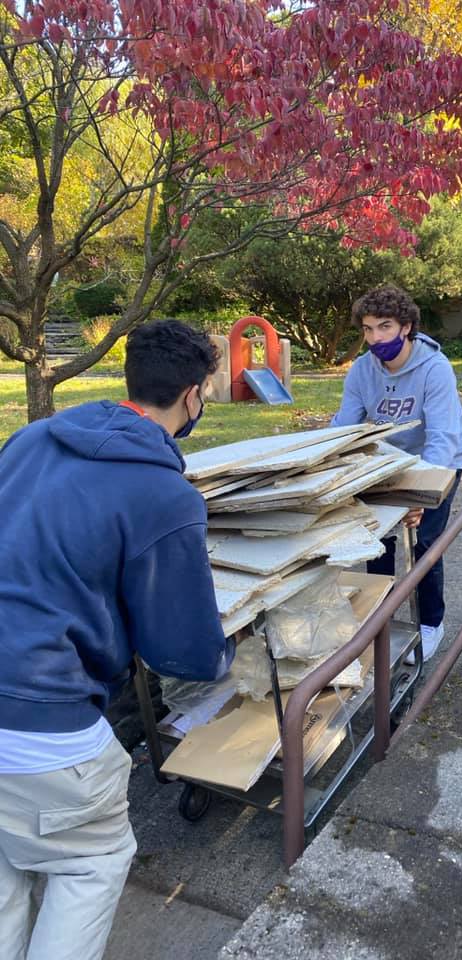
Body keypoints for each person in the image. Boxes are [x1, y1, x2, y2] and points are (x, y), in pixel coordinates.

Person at [0, 319, 235, 960]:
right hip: (48, 724)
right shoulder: (163, 492)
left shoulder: (27, 442)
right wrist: (226, 653)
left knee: (8, 864)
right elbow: (181, 653)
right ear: (193, 395)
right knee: (87, 864)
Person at [332, 284, 462, 662]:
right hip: (388, 462)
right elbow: (345, 426)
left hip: (438, 460)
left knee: (424, 542)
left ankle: (430, 624)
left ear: (406, 327)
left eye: (385, 327)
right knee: (377, 541)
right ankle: (380, 619)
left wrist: (421, 496)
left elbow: (441, 438)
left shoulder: (434, 369)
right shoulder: (362, 370)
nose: (376, 338)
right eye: (368, 329)